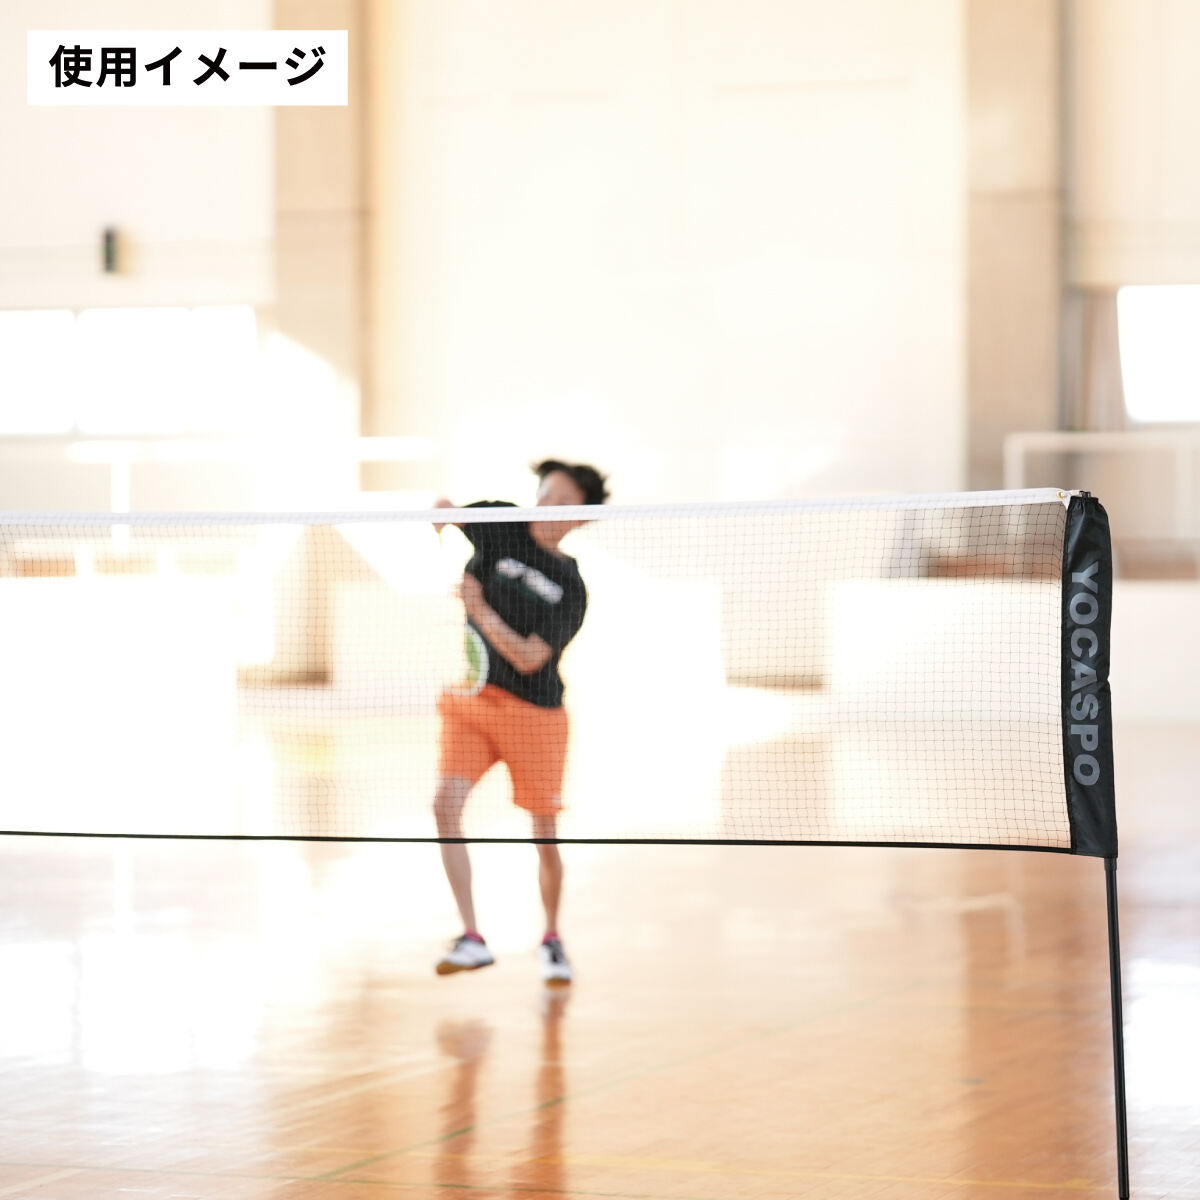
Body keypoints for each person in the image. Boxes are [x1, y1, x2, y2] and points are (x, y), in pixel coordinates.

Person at [431, 459, 609, 984]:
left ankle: (551, 938)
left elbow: (532, 657)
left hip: (536, 715)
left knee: (544, 836)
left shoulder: (570, 586)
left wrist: (479, 609)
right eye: (545, 493)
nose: (548, 506)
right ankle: (472, 937)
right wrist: (440, 517)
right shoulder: (502, 522)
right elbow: (447, 511)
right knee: (444, 806)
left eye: (563, 501)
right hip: (474, 702)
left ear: (582, 516)